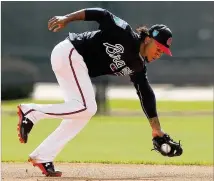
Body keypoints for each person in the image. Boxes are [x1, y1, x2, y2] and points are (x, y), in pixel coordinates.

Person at [17, 8, 176, 177]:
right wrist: (67, 18)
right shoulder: (124, 33)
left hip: (75, 62)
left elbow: (145, 93)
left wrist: (156, 129)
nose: (160, 53)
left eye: (163, 51)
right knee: (88, 107)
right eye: (158, 47)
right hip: (71, 52)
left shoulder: (138, 66)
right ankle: (32, 112)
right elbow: (102, 14)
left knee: (82, 112)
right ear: (148, 39)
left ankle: (43, 155)